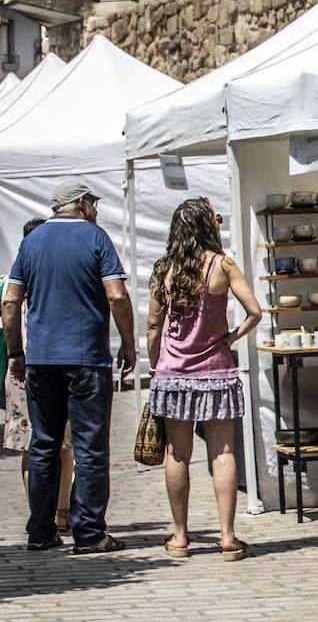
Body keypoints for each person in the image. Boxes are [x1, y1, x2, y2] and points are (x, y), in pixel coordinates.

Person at [3, 181, 135, 553]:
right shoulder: (96, 238)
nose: (96, 209)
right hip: (87, 359)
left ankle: (40, 532)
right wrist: (128, 343)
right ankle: (89, 534)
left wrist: (15, 352)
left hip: (41, 360)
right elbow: (116, 294)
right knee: (89, 447)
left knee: (43, 445)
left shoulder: (32, 241)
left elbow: (10, 301)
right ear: (80, 203)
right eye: (93, 202)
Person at [147, 198, 260, 560]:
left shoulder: (164, 269)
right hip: (216, 372)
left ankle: (180, 537)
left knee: (178, 453)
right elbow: (254, 311)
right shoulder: (222, 265)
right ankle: (228, 538)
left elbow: (153, 325)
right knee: (222, 453)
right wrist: (231, 337)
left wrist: (157, 364)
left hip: (173, 374)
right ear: (207, 227)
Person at [3, 218, 75, 532]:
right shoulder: (47, 281)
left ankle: (48, 514)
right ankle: (55, 512)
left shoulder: (13, 282)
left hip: (22, 371)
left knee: (36, 446)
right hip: (42, 369)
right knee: (57, 446)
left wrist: (13, 354)